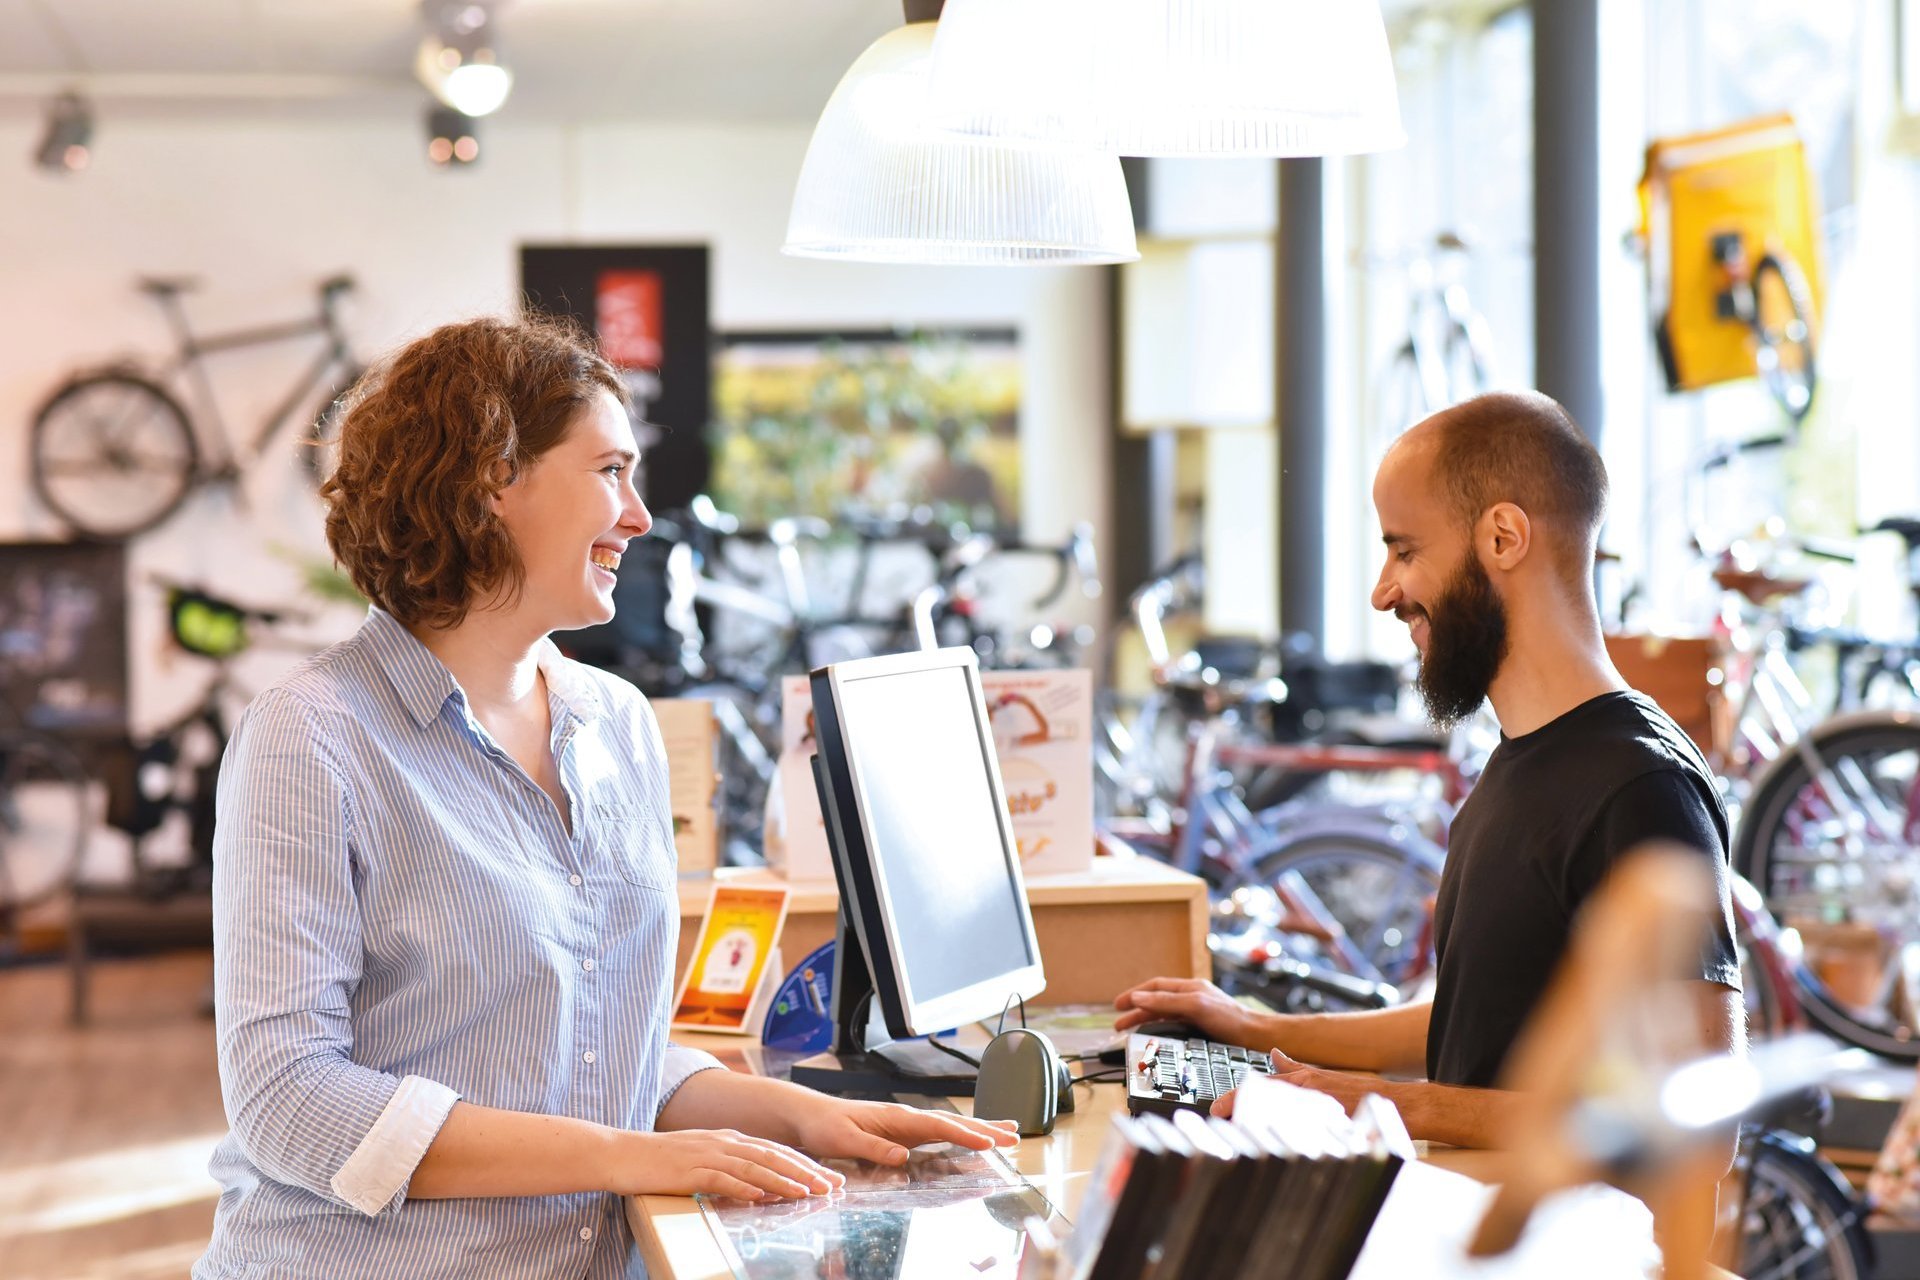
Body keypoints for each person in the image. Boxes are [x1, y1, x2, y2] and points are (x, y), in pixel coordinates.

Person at [195, 317, 1015, 1279]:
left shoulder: (618, 722)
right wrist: (632, 1157)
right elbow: (289, 1100)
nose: (638, 515)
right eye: (608, 472)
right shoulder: (314, 737)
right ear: (492, 478)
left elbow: (590, 1051)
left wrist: (802, 1115)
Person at [1115, 391, 1743, 1150]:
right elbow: (1478, 1018)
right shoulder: (1520, 762)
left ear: (1504, 537)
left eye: (1405, 551)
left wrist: (1388, 1107)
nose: (1384, 591)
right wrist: (1258, 1027)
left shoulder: (1640, 788)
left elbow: (1694, 1120)